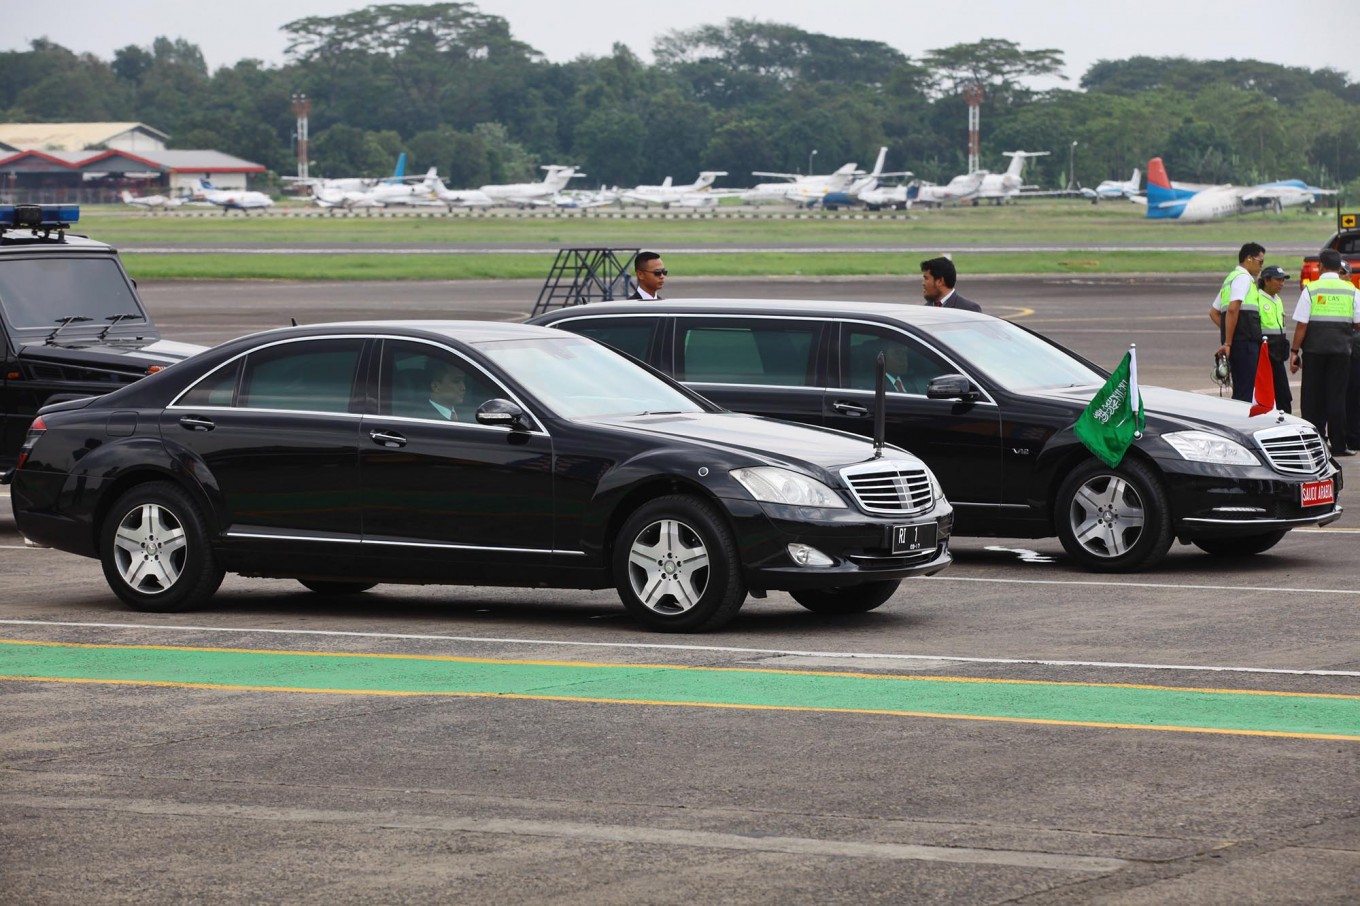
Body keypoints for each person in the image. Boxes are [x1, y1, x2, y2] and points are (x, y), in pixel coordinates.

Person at [1289, 249, 1360, 456]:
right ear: (1340, 268)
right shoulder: (1352, 290)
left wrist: (1295, 351)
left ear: (1320, 266)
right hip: (1341, 352)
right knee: (1337, 398)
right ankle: (1339, 446)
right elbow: (1358, 323)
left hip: (1314, 352)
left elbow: (1302, 325)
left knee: (1312, 398)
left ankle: (1313, 445)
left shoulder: (1311, 289)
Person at [1212, 242, 1266, 402]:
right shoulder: (1243, 279)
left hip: (1238, 344)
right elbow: (1233, 309)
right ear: (1249, 259)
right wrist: (1229, 341)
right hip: (1246, 346)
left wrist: (1231, 333)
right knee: (1245, 393)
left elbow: (1214, 312)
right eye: (1260, 262)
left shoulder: (1230, 279)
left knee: (1241, 388)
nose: (1261, 267)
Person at [1256, 264, 1293, 413]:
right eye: (1278, 280)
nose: (1281, 284)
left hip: (1278, 356)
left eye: (1283, 280)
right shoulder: (1257, 299)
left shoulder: (1277, 300)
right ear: (1266, 280)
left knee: (1284, 396)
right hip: (1265, 356)